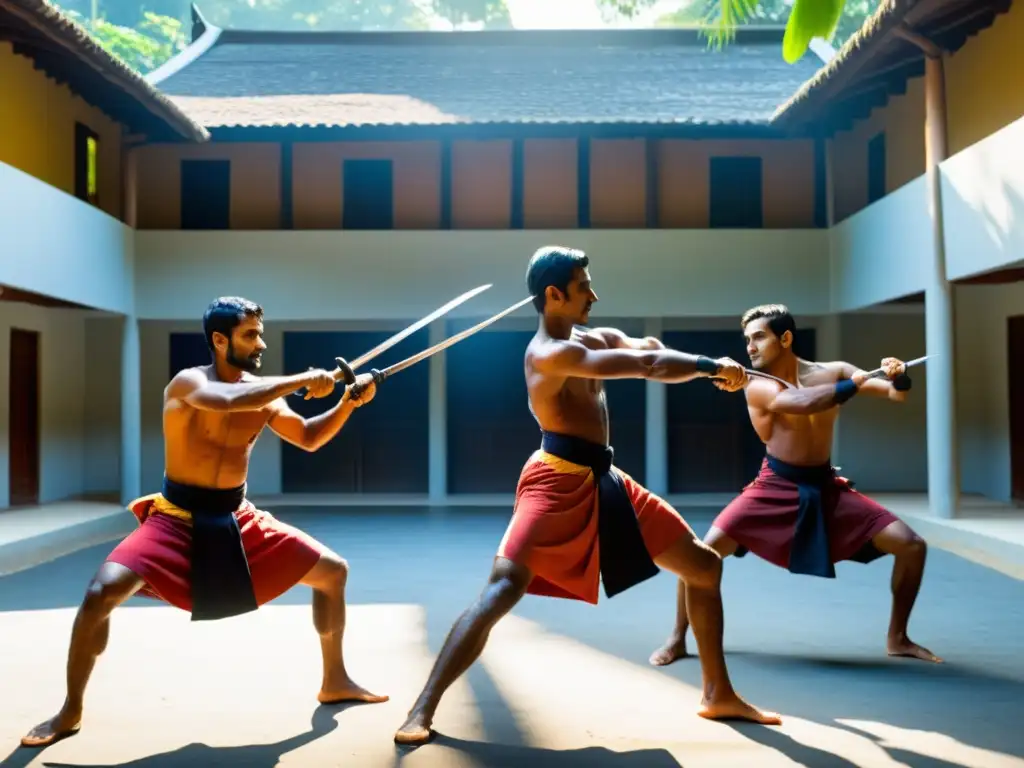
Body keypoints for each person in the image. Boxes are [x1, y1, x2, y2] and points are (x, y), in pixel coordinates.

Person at [394, 247, 781, 746]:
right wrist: (707, 365)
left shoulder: (588, 337)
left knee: (703, 567)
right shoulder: (549, 353)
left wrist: (713, 366)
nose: (594, 295)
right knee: (503, 587)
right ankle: (420, 709)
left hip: (604, 476)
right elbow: (646, 365)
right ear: (554, 295)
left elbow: (647, 347)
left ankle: (717, 693)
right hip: (555, 479)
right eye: (584, 287)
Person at [22, 297, 388, 749]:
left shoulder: (264, 393)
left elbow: (309, 437)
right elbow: (227, 400)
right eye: (250, 334)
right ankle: (70, 709)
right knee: (100, 595)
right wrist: (301, 380)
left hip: (238, 516)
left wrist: (348, 402)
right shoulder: (189, 383)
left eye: (260, 333)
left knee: (333, 572)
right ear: (220, 340)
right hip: (176, 518)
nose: (260, 343)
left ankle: (335, 679)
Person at [649, 304, 940, 669]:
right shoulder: (757, 386)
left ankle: (898, 638)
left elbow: (896, 394)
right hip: (774, 484)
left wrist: (899, 376)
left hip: (824, 483)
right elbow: (802, 403)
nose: (750, 346)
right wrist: (855, 384)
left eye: (759, 337)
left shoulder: (833, 371)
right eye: (747, 339)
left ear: (785, 338)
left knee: (912, 546)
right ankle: (677, 637)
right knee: (701, 555)